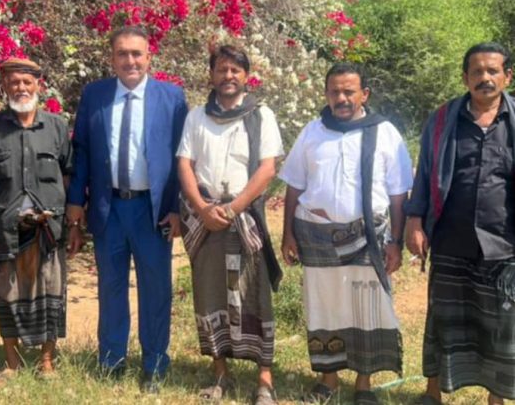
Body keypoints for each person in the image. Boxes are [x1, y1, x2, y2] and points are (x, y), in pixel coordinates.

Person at [279, 63, 413, 405]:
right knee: (324, 307)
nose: (341, 98)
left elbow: (399, 194)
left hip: (368, 238)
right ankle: (329, 380)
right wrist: (287, 234)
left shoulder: (385, 133)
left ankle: (363, 384)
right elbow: (294, 185)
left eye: (349, 91)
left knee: (366, 307)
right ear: (326, 94)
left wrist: (396, 242)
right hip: (316, 236)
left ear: (364, 94)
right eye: (334, 92)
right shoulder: (312, 132)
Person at [66, 25, 188, 392]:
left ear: (149, 57)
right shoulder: (95, 95)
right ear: (112, 58)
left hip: (153, 210)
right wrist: (76, 200)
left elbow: (183, 157)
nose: (130, 60)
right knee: (111, 286)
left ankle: (155, 363)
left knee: (156, 289)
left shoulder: (172, 97)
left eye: (137, 53)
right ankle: (112, 360)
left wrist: (177, 207)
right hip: (110, 208)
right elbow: (82, 151)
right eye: (122, 53)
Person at [405, 42, 515, 405]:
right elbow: (424, 174)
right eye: (477, 71)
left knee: (502, 328)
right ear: (465, 77)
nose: (485, 78)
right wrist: (415, 220)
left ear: (507, 76)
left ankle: (496, 399)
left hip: (504, 242)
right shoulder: (441, 121)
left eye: (492, 70)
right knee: (442, 320)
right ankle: (432, 393)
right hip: (450, 238)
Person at [176, 45, 283, 404]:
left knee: (255, 293)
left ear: (246, 76)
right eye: (222, 69)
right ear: (212, 75)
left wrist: (234, 209)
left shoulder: (260, 115)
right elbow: (185, 164)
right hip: (205, 219)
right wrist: (203, 209)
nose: (228, 76)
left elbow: (268, 168)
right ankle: (220, 373)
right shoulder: (197, 116)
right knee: (209, 292)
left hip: (244, 216)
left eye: (235, 70)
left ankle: (264, 379)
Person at [0, 57, 72, 377]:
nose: (21, 87)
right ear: (5, 85)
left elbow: (67, 176)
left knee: (51, 288)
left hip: (49, 225)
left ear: (37, 85)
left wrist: (72, 224)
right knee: (8, 291)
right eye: (14, 82)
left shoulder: (56, 127)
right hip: (6, 224)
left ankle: (47, 362)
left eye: (27, 82)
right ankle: (12, 363)